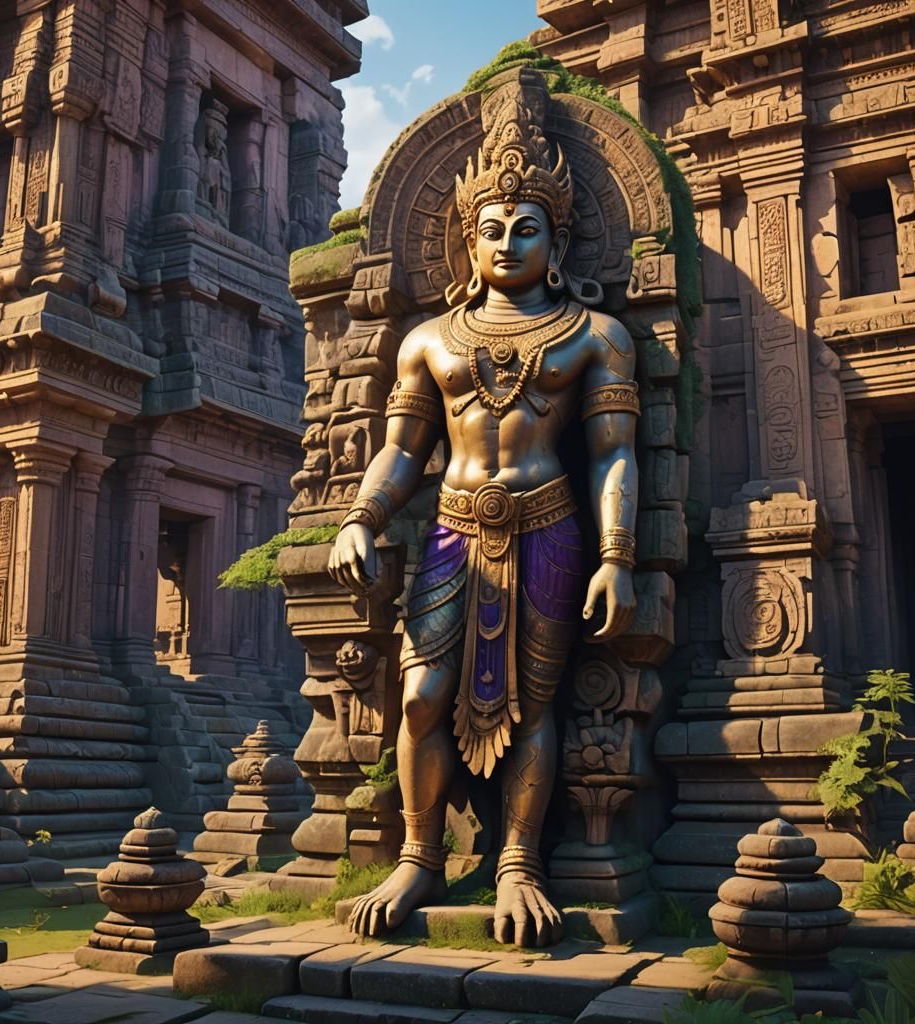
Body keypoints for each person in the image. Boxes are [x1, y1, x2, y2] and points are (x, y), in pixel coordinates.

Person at [327, 83, 640, 947]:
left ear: (559, 235)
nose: (508, 242)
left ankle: (517, 863)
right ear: (468, 238)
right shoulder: (428, 338)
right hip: (453, 526)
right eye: (492, 228)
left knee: (538, 702)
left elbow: (615, 453)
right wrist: (360, 514)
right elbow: (402, 450)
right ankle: (420, 855)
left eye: (526, 226)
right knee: (422, 694)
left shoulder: (595, 335)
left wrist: (617, 554)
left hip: (548, 522)